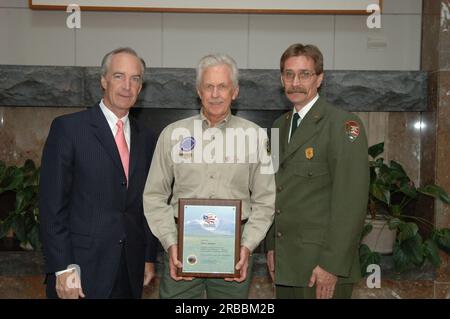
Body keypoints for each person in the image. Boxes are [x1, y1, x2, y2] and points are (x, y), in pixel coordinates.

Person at [143, 53, 275, 299]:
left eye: (222, 86)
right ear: (198, 91)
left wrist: (246, 247)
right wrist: (171, 243)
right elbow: (153, 196)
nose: (215, 94)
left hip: (234, 253)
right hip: (181, 251)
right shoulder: (172, 135)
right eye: (209, 86)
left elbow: (266, 201)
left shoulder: (258, 137)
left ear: (234, 91)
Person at [39, 47, 159, 299]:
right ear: (103, 80)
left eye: (135, 78)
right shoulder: (69, 129)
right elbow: (52, 206)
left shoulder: (147, 137)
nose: (127, 85)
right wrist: (62, 268)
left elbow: (146, 204)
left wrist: (148, 257)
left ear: (141, 87)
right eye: (118, 76)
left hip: (129, 270)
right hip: (80, 271)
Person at [265, 43, 369, 299]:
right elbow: (274, 188)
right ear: (281, 79)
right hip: (285, 262)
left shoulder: (344, 125)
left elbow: (351, 202)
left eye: (305, 74)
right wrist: (271, 246)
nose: (296, 82)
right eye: (289, 74)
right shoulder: (279, 126)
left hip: (321, 267)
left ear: (320, 79)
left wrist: (332, 265)